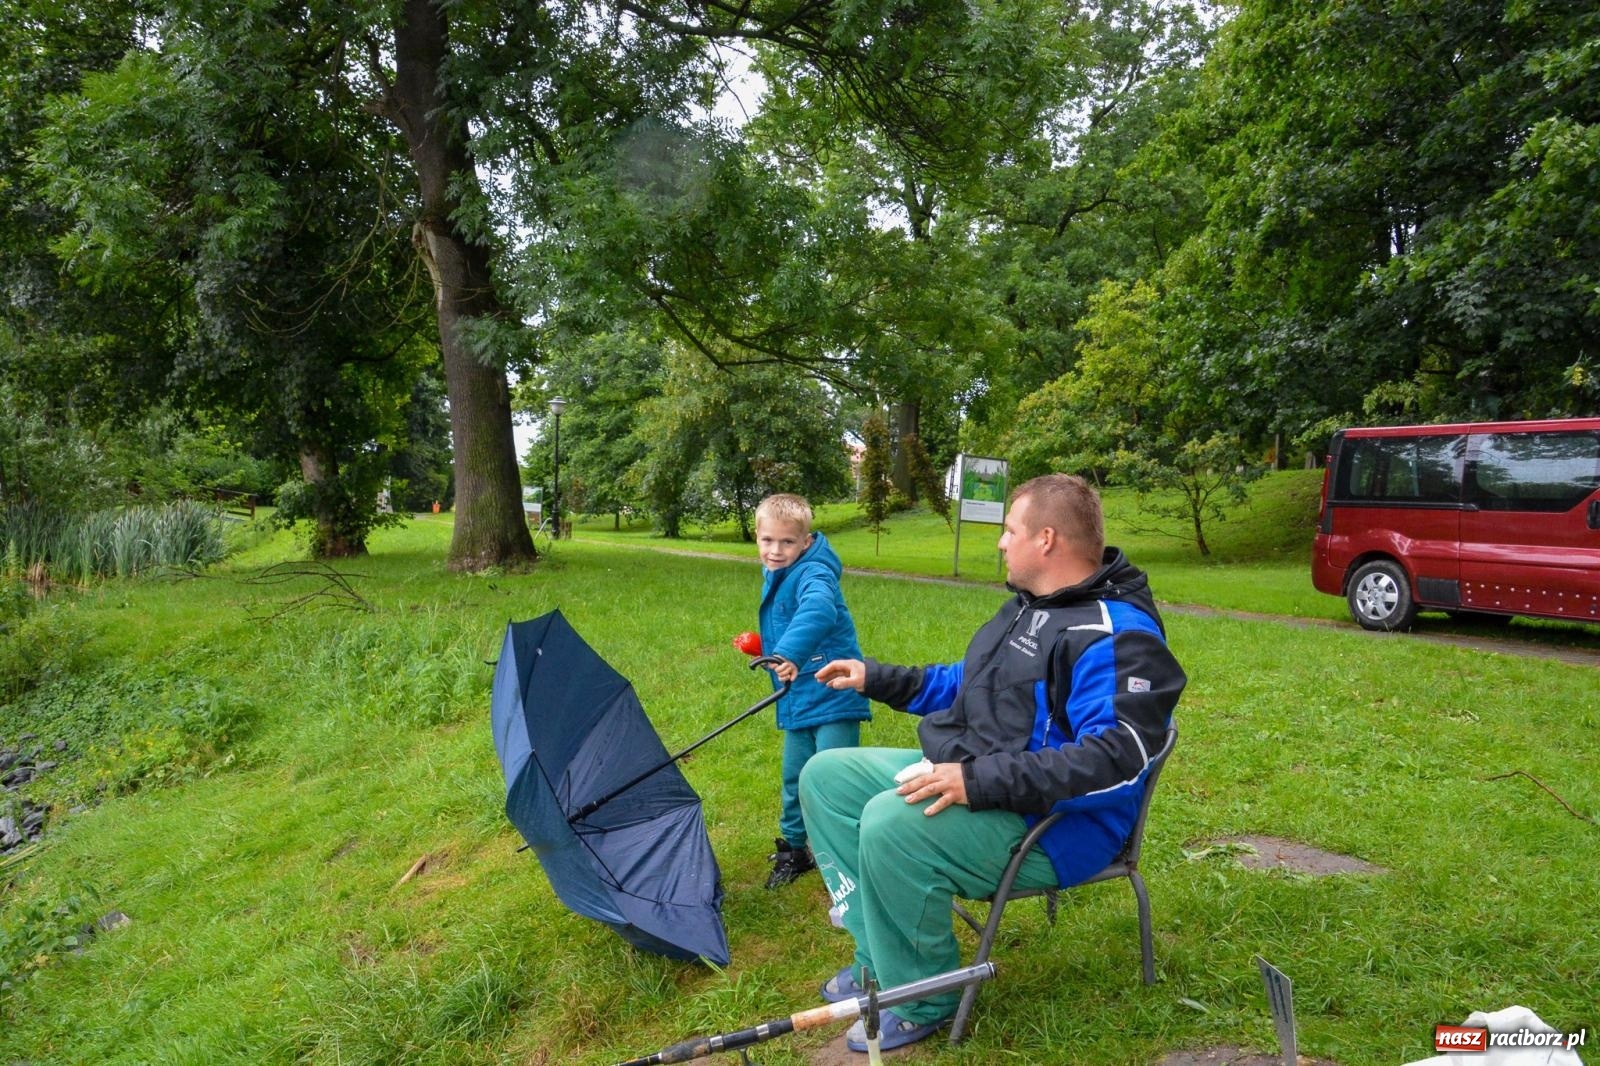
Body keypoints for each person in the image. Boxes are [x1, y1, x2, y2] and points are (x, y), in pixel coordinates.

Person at [799, 474, 1185, 1052]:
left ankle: (924, 993)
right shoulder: (1031, 607)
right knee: (826, 778)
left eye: (1009, 531)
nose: (1001, 543)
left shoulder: (1117, 633)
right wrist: (876, 677)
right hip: (982, 771)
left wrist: (975, 781)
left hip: (1057, 828)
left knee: (890, 823)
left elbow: (1118, 758)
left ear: (1046, 539)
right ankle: (879, 957)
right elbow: (969, 684)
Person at [753, 493, 872, 890]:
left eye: (787, 542)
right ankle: (795, 849)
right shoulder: (777, 572)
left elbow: (818, 610)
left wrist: (788, 651)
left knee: (834, 780)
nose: (775, 550)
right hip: (799, 696)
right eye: (768, 540)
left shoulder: (815, 572)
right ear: (757, 537)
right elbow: (788, 617)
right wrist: (765, 647)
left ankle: (848, 858)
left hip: (834, 692)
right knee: (795, 777)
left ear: (805, 542)